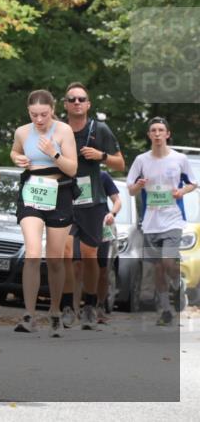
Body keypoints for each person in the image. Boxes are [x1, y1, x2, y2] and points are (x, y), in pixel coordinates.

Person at [9, 90, 78, 337]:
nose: (39, 119)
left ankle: (56, 310)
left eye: (44, 114)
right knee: (33, 253)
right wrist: (18, 158)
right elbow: (15, 151)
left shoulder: (63, 131)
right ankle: (29, 315)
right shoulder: (22, 132)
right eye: (34, 114)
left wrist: (54, 153)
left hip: (59, 192)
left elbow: (72, 168)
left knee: (55, 259)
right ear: (28, 112)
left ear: (52, 109)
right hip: (32, 192)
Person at [59, 83, 124, 329]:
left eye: (81, 99)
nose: (76, 102)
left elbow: (120, 164)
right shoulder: (58, 130)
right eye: (71, 99)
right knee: (65, 254)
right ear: (65, 104)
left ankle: (89, 306)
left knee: (89, 257)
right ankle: (67, 307)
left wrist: (101, 156)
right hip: (65, 200)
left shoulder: (101, 129)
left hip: (93, 202)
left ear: (88, 104)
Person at [126, 117, 197, 326]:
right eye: (153, 131)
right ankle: (166, 309)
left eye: (161, 130)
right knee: (157, 269)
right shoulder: (141, 160)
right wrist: (138, 185)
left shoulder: (179, 159)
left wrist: (181, 191)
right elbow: (130, 189)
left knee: (168, 262)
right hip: (151, 221)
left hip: (173, 219)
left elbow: (193, 183)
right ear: (149, 135)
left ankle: (177, 283)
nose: (157, 134)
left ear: (167, 134)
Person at [81, 170, 122, 324]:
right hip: (80, 224)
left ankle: (99, 306)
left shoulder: (103, 176)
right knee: (78, 264)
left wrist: (112, 213)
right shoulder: (73, 173)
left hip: (101, 225)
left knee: (102, 268)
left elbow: (117, 201)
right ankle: (75, 306)